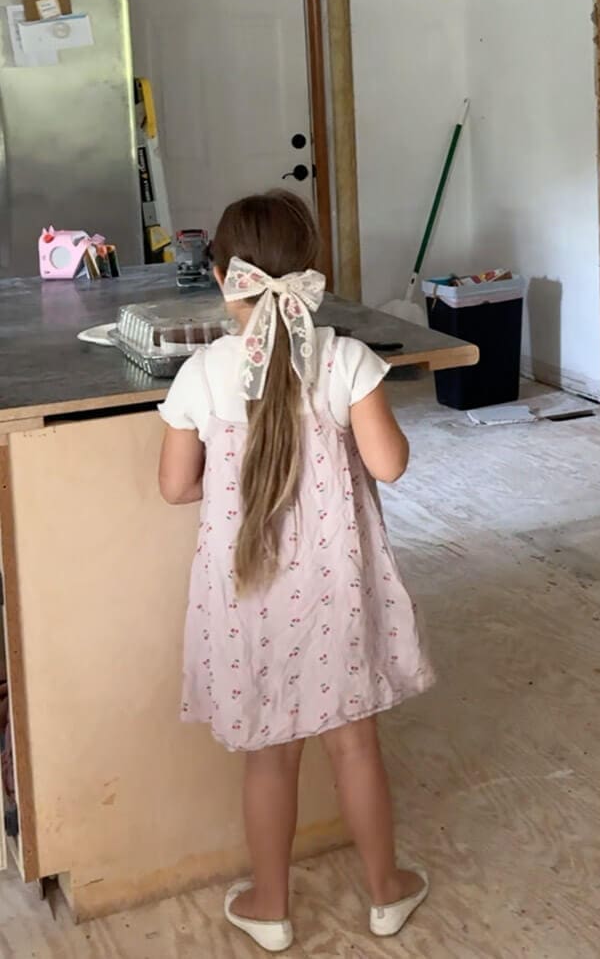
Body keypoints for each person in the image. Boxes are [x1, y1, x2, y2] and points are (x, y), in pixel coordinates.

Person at [158, 190, 434, 952]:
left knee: (269, 758)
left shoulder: (202, 374)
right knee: (355, 745)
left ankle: (271, 906)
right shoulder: (346, 360)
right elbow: (391, 465)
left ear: (224, 279)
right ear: (311, 274)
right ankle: (385, 893)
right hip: (335, 590)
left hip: (248, 595)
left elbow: (175, 486)